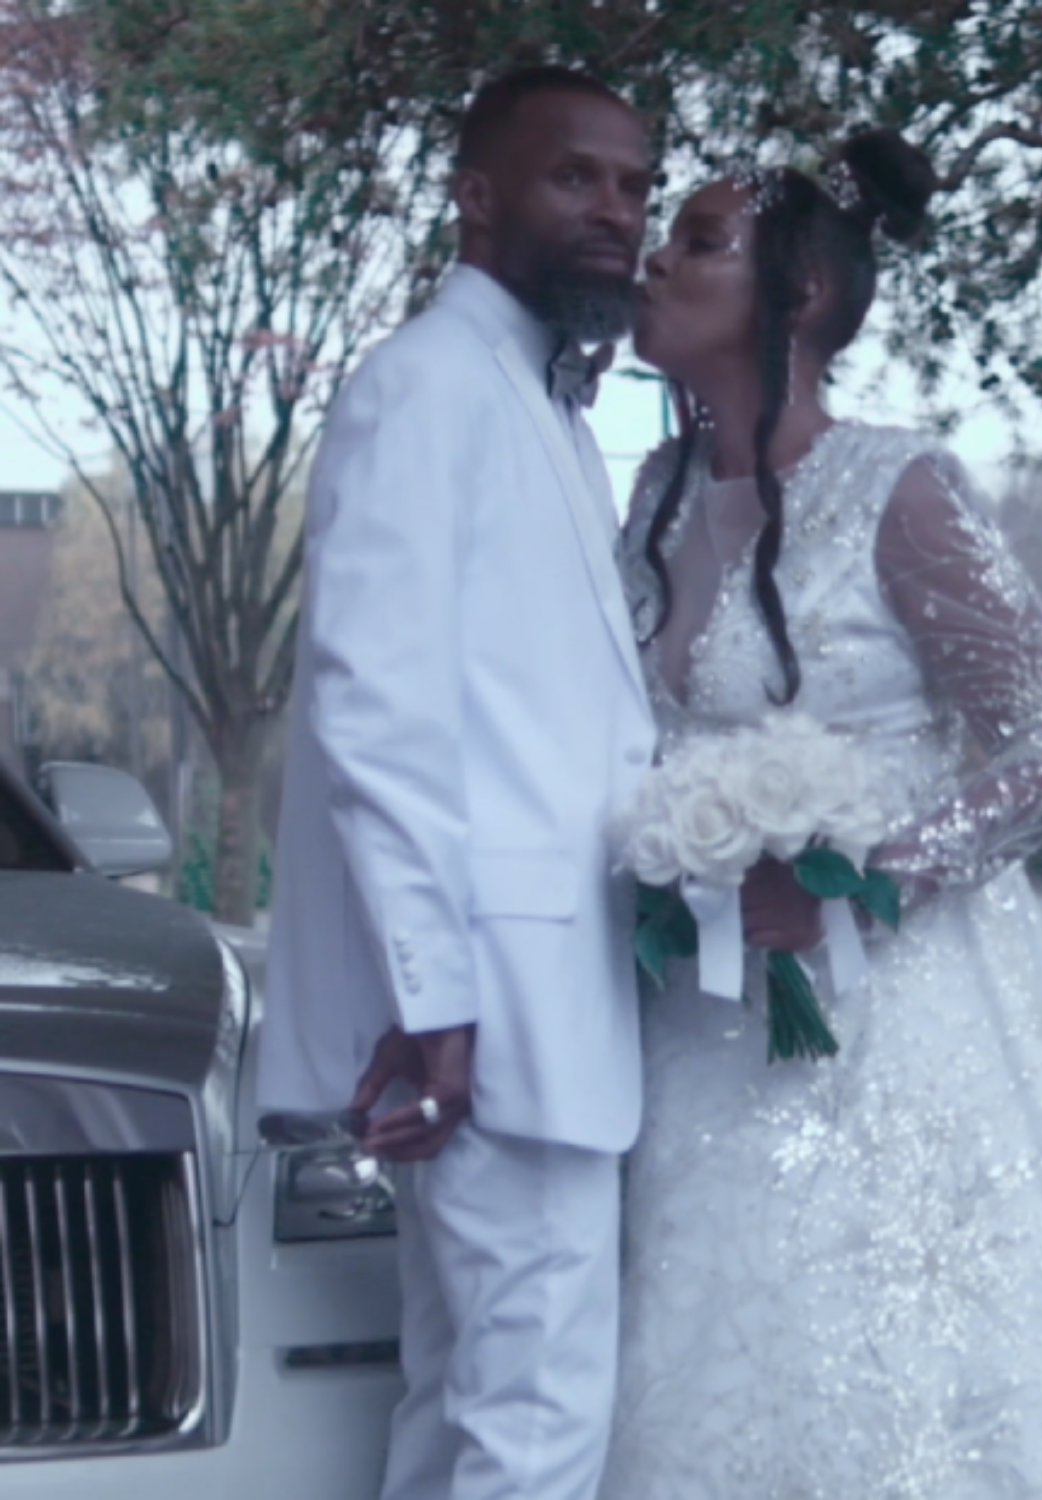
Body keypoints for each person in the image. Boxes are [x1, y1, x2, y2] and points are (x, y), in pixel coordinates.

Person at [600, 131, 1042, 1498]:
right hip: (697, 1029)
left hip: (899, 1016)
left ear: (802, 302)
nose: (656, 259)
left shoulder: (902, 486)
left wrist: (859, 876)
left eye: (700, 241)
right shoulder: (648, 498)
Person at [257, 67, 657, 1500]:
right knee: (534, 1421)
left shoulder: (538, 403)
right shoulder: (424, 385)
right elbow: (375, 707)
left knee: (458, 1404)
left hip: (528, 1005)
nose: (616, 209)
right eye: (577, 177)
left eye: (633, 184)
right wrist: (431, 1000)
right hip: (497, 1014)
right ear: (477, 195)